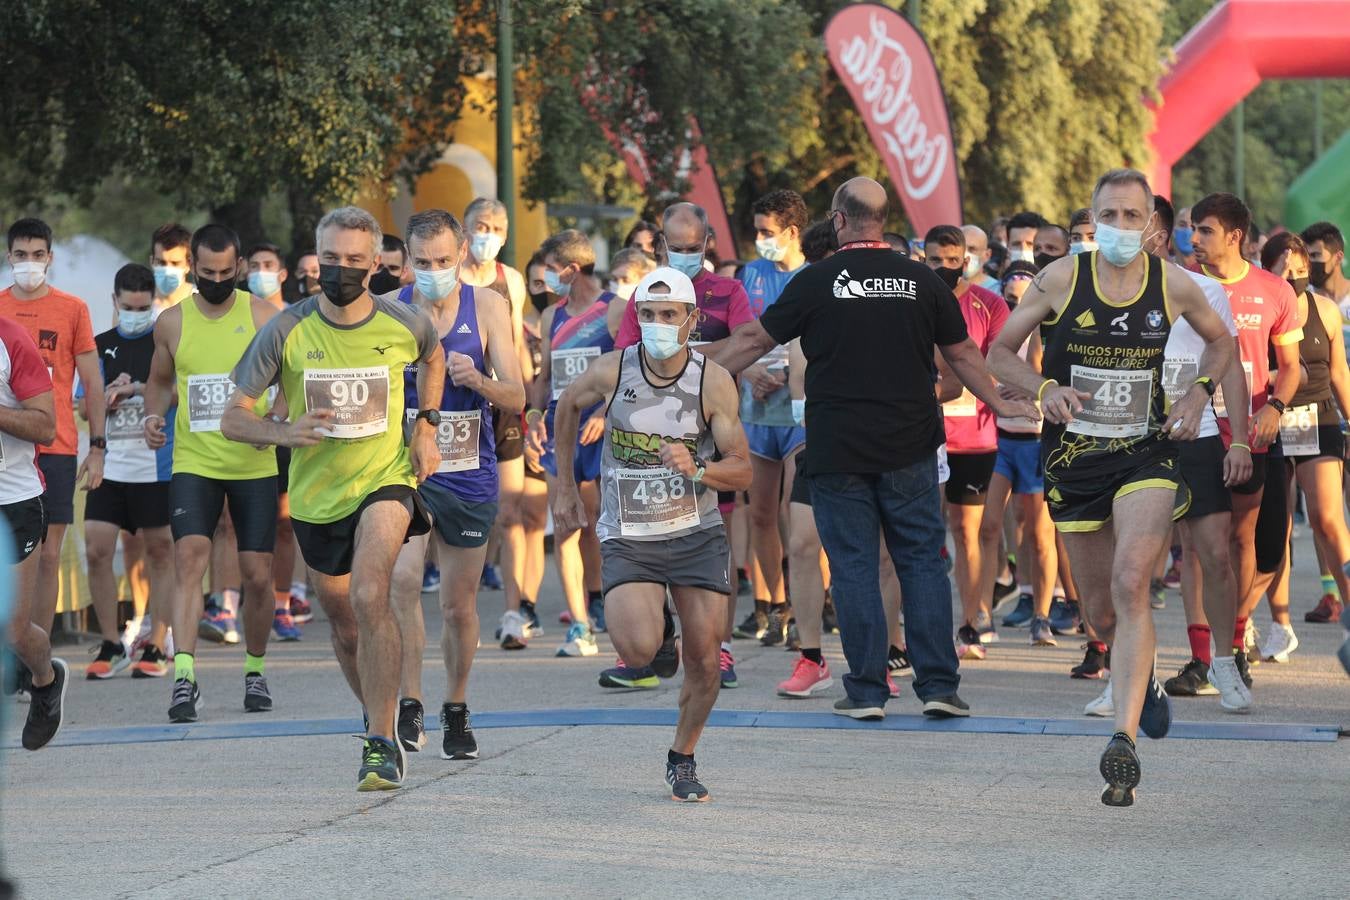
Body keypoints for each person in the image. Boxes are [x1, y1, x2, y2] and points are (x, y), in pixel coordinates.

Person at [720, 176, 1035, 722]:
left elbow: (751, 342)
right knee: (921, 562)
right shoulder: (921, 279)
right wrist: (998, 404)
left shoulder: (816, 280)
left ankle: (867, 691)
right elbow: (961, 354)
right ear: (883, 220)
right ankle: (939, 685)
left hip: (838, 447)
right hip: (911, 444)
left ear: (839, 219)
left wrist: (683, 386)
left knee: (854, 565)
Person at [989, 168, 1234, 807]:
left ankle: (1121, 740)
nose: (1121, 228)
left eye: (1132, 216)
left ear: (1151, 224)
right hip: (1074, 458)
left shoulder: (1173, 283)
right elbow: (998, 352)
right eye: (1110, 216)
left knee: (1132, 582)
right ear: (1092, 220)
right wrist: (1045, 389)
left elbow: (1221, 344)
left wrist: (1199, 392)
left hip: (1146, 452)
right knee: (1100, 612)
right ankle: (1141, 680)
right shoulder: (1061, 279)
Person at [222, 205, 444, 791]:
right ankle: (379, 714)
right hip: (318, 498)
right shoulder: (285, 330)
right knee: (345, 626)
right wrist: (283, 433)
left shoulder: (404, 323)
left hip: (385, 479)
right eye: (331, 259)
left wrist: (425, 425)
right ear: (315, 262)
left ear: (375, 264)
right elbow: (232, 418)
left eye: (353, 260)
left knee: (374, 593)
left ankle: (378, 741)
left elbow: (434, 356)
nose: (341, 269)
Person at [551, 266, 752, 801]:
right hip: (630, 531)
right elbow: (567, 406)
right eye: (648, 315)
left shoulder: (712, 381)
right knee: (638, 652)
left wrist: (700, 469)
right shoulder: (613, 371)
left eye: (669, 315)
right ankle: (659, 632)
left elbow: (743, 468)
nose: (658, 324)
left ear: (690, 320)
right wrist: (565, 487)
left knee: (706, 659)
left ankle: (682, 757)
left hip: (695, 532)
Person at [388, 209, 524, 757]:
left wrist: (481, 381)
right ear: (408, 257)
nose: (434, 271)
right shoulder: (391, 311)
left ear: (462, 250)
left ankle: (457, 706)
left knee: (457, 606)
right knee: (401, 582)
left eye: (443, 260)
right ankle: (410, 701)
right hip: (404, 469)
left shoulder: (488, 307)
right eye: (422, 262)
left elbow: (518, 395)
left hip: (469, 470)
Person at [611, 202, 756, 688]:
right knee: (650, 534)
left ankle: (724, 645)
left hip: (711, 428)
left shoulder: (727, 291)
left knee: (719, 536)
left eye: (695, 247)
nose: (687, 254)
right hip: (645, 432)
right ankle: (657, 627)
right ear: (660, 243)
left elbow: (745, 347)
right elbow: (626, 357)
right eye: (678, 247)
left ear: (708, 244)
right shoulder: (645, 294)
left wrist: (688, 356)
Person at [142, 224, 280, 722]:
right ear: (192, 269)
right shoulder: (173, 322)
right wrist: (153, 416)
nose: (217, 280)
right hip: (195, 462)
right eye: (206, 273)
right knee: (189, 560)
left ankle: (256, 669)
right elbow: (158, 383)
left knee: (257, 576)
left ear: (239, 267)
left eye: (226, 273)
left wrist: (280, 416)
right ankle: (184, 677)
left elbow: (290, 381)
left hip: (253, 461)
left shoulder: (265, 316)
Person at [1130, 198, 1252, 704]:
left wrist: (1239, 439)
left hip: (1195, 436)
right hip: (1131, 439)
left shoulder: (1203, 291)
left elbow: (1233, 367)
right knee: (1133, 563)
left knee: (1213, 555)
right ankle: (1131, 677)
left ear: (1157, 230)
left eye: (1133, 219)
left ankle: (1224, 664)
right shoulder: (1096, 290)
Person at [1191, 192, 1302, 678]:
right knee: (1199, 544)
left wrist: (1276, 405)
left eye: (1205, 230)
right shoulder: (1183, 286)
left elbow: (1292, 368)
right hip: (1195, 430)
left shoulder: (1276, 290)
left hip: (1252, 432)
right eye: (1193, 229)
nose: (1194, 239)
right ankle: (1200, 659)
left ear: (1234, 236)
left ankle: (1232, 645)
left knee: (1243, 541)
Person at [1, 218, 106, 674]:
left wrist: (97, 445)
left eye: (37, 255)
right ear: (9, 258)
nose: (29, 263)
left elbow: (92, 379)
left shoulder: (72, 308)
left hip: (57, 443)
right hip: (10, 449)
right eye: (20, 255)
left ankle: (30, 657)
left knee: (48, 555)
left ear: (50, 258)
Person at [83, 264, 177, 680]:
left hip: (156, 466)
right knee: (96, 549)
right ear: (115, 302)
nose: (135, 313)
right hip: (112, 463)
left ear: (153, 303)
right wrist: (107, 396)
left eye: (143, 307)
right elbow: (82, 401)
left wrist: (140, 388)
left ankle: (157, 642)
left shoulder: (165, 340)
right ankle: (110, 641)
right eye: (128, 307)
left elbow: (178, 392)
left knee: (160, 552)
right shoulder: (99, 344)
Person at [523, 229, 611, 656]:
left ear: (573, 270)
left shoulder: (614, 311)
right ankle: (579, 625)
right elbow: (544, 380)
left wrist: (605, 411)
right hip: (563, 432)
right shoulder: (550, 317)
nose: (548, 280)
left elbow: (630, 371)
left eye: (553, 272)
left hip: (604, 433)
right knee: (566, 523)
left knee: (597, 523)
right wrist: (535, 417)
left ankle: (603, 602)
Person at [924, 225, 1009, 656]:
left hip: (974, 436)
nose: (944, 268)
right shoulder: (913, 300)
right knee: (924, 533)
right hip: (922, 435)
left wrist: (966, 377)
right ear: (924, 259)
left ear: (967, 262)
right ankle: (926, 621)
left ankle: (970, 621)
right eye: (935, 260)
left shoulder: (989, 304)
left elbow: (999, 362)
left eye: (953, 261)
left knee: (967, 531)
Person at [1262, 232, 1350, 633]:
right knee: (1276, 530)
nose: (1294, 276)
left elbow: (1338, 373)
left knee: (1328, 520)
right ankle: (1280, 626)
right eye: (1284, 270)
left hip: (1320, 418)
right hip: (1272, 421)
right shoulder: (1258, 311)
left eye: (1301, 269)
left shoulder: (1327, 311)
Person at [735, 190, 809, 645]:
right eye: (757, 231)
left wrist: (796, 372)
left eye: (768, 232)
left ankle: (808, 608)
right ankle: (778, 606)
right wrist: (748, 370)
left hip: (802, 412)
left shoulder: (816, 274)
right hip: (757, 409)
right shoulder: (752, 273)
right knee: (761, 513)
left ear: (792, 233)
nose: (760, 240)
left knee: (796, 512)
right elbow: (740, 336)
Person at [974, 262, 1059, 647]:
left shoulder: (1048, 329)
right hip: (1001, 440)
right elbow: (987, 369)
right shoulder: (1000, 332)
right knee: (988, 526)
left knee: (1041, 534)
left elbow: (1040, 371)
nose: (1017, 302)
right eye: (1011, 296)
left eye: (1025, 296)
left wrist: (1030, 383)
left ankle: (1042, 615)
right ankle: (981, 613)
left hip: (1037, 441)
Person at [458, 198, 533, 597]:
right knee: (454, 503)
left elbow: (518, 345)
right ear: (465, 231)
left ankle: (514, 604)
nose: (488, 236)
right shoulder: (450, 277)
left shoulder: (512, 280)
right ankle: (459, 577)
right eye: (480, 227)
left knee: (510, 509)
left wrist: (526, 401)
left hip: (500, 401)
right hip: (458, 402)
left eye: (497, 229)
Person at [0, 314, 62, 749]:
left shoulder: (10, 339)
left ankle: (45, 678)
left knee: (13, 630)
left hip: (13, 500)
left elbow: (45, 425)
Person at [246, 241, 307, 638]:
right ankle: (233, 605)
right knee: (233, 527)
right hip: (242, 432)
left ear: (282, 274)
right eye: (254, 265)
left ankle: (282, 603)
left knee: (285, 524)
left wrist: (277, 417)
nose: (261, 272)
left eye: (268, 265)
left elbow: (295, 377)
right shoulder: (236, 314)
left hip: (281, 432)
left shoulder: (296, 319)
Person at [150, 223, 195, 314]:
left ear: (189, 264)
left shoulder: (201, 304)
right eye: (161, 262)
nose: (167, 270)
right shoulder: (134, 304)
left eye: (175, 263)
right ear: (152, 261)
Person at [961, 225, 1002, 293]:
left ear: (987, 255)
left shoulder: (999, 291)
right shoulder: (943, 287)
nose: (965, 255)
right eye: (961, 248)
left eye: (972, 249)